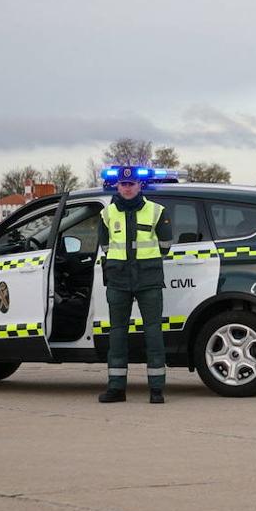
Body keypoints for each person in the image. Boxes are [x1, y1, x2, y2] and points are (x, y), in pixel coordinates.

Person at [97, 166, 174, 404]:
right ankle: (117, 389)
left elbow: (166, 244)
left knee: (153, 333)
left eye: (132, 184)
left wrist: (144, 262)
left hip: (148, 279)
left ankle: (156, 389)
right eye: (123, 184)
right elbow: (105, 247)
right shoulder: (107, 214)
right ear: (117, 186)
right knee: (117, 335)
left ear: (140, 186)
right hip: (119, 280)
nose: (127, 188)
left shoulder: (156, 211)